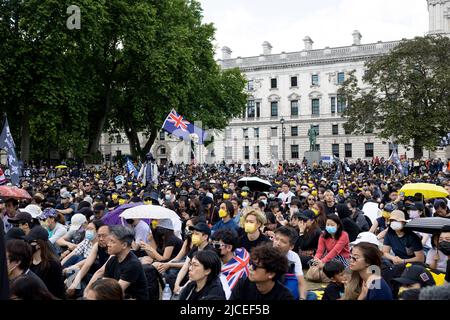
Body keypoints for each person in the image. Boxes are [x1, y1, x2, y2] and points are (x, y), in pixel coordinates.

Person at [85, 225, 148, 300]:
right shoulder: (113, 259)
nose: (108, 244)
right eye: (109, 241)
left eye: (112, 241)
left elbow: (115, 293)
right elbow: (104, 285)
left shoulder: (133, 264)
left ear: (124, 245)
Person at [230, 243, 294, 300]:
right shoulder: (243, 284)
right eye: (251, 263)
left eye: (255, 266)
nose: (250, 268)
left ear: (271, 273)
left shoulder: (284, 297)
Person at [65, 224, 111, 298]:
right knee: (72, 270)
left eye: (104, 236)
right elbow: (87, 265)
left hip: (106, 278)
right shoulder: (97, 245)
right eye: (99, 236)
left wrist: (87, 290)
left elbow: (100, 272)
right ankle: (71, 294)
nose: (101, 239)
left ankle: (83, 296)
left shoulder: (114, 249)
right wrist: (73, 284)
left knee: (79, 279)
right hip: (94, 273)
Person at [25, 226, 66, 299]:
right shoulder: (29, 261)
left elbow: (58, 292)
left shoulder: (52, 264)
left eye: (30, 242)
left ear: (39, 245)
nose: (27, 244)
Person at [173, 222, 213, 294]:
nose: (193, 236)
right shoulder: (195, 247)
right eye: (193, 233)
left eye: (197, 234)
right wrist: (176, 284)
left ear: (205, 237)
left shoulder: (209, 252)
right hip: (192, 277)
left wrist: (183, 288)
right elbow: (185, 267)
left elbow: (198, 274)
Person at [273, 226, 307, 300]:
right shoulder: (265, 253)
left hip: (287, 290)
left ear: (291, 246)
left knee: (310, 295)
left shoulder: (293, 256)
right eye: (276, 239)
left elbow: (301, 282)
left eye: (283, 241)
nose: (277, 243)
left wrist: (302, 298)